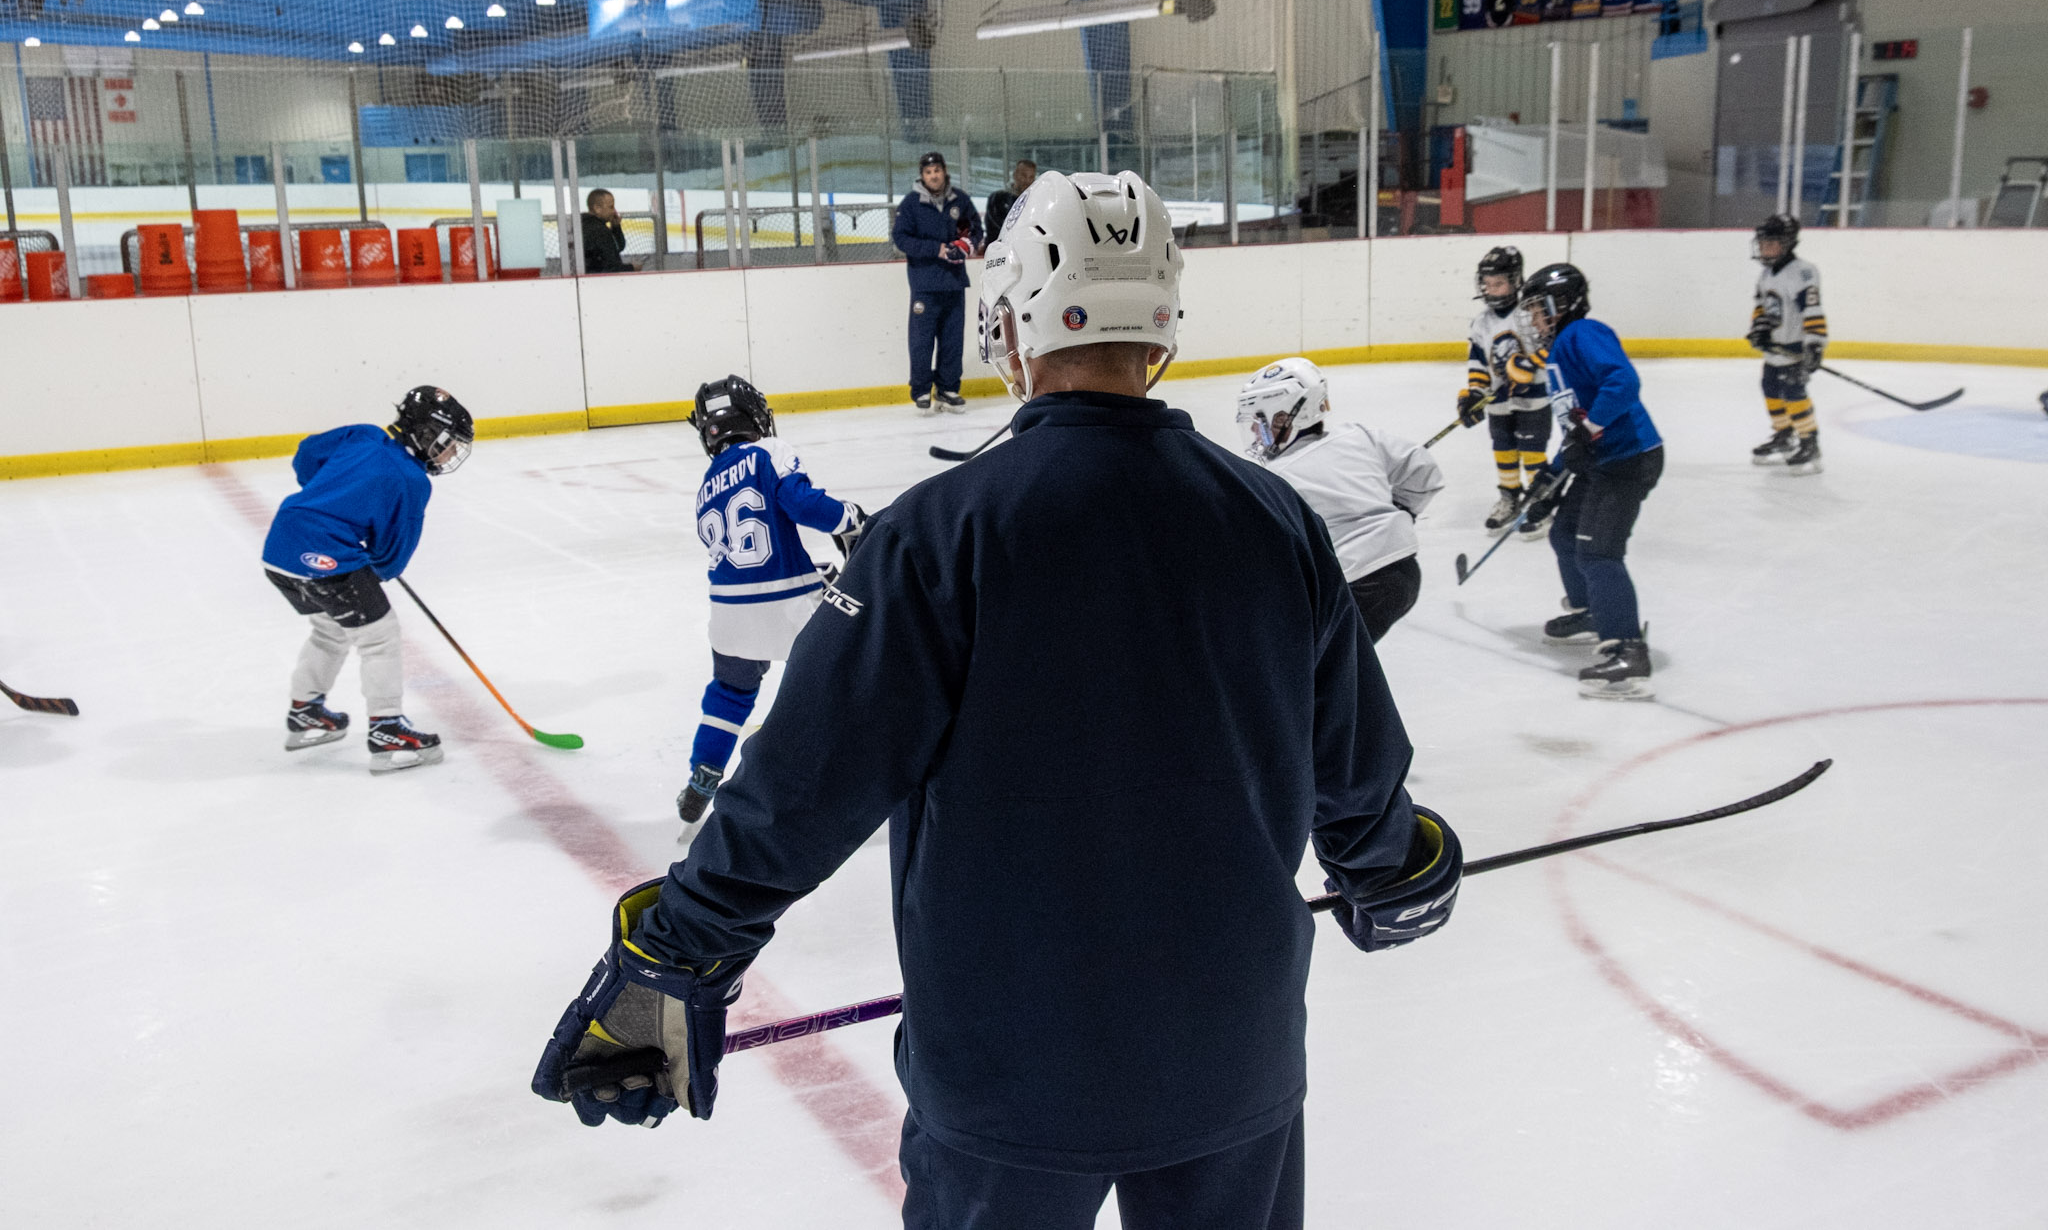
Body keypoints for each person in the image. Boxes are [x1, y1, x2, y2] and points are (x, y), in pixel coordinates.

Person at [533, 171, 1461, 1230]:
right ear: (1161, 313)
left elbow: (804, 782)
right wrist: (1393, 869)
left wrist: (677, 952)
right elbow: (1354, 767)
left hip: (1008, 1069)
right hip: (1231, 1057)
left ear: (1010, 313)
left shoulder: (937, 534)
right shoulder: (1273, 520)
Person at [676, 374, 866, 823]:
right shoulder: (768, 453)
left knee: (729, 692)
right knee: (852, 663)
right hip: (789, 610)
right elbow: (801, 504)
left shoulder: (705, 485)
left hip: (728, 617)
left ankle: (704, 773)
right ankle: (851, 766)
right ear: (753, 416)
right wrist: (849, 519)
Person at [260, 386, 472, 771]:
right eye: (449, 442)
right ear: (427, 433)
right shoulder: (412, 478)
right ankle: (387, 728)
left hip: (279, 548)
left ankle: (306, 711)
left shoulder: (363, 434)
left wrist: (331, 497)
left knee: (331, 630)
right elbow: (390, 560)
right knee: (380, 636)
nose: (452, 452)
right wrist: (358, 549)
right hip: (323, 556)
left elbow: (307, 455)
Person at [1513, 264, 1663, 700]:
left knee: (1598, 551)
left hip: (1630, 459)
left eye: (1540, 309)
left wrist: (1589, 430)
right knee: (1563, 534)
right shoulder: (1559, 350)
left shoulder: (1583, 333)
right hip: (1604, 459)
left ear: (1564, 304)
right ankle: (1593, 612)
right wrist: (1549, 479)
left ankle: (1628, 651)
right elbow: (1578, 433)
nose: (1535, 319)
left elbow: (1623, 381)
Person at [1238, 357, 1444, 642]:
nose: (1253, 430)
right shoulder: (1358, 435)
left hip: (1356, 584)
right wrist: (1403, 511)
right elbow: (1423, 470)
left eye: (1260, 420)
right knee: (1341, 665)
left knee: (1316, 671)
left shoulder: (1276, 477)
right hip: (1405, 571)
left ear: (1287, 417)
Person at [1457, 246, 1554, 533]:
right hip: (1498, 401)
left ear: (1515, 281)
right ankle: (1509, 497)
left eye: (1498, 283)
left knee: (1532, 450)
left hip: (1533, 398)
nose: (1490, 290)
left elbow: (1550, 344)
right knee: (1503, 447)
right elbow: (1477, 360)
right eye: (1486, 284)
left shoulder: (1530, 313)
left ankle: (1540, 500)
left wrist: (1529, 365)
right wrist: (1475, 391)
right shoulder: (1482, 323)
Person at [892, 151, 983, 415]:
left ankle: (948, 389)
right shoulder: (911, 204)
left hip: (954, 283)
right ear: (922, 176)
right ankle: (921, 390)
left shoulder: (960, 200)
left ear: (944, 171)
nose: (933, 176)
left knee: (952, 339)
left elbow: (974, 229)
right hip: (925, 284)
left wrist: (966, 245)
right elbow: (901, 238)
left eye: (937, 171)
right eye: (928, 172)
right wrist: (937, 249)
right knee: (921, 340)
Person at [1747, 214, 1825, 473]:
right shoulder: (1766, 274)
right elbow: (1761, 306)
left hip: (1794, 349)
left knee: (1794, 394)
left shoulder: (1802, 273)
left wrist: (1814, 345)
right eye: (1763, 243)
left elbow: (1812, 311)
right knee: (1769, 388)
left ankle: (1809, 441)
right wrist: (1759, 328)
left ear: (1788, 243)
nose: (1765, 249)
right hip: (1774, 351)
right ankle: (1784, 435)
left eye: (1772, 243)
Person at [581, 189, 636, 274]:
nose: (614, 211)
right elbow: (611, 267)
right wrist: (632, 268)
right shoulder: (599, 231)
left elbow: (616, 248)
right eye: (611, 207)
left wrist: (616, 227)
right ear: (597, 208)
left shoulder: (583, 224)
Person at [981, 158, 1037, 241]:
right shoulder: (998, 198)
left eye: (1031, 177)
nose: (1027, 180)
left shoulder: (1036, 201)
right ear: (1015, 175)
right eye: (1024, 175)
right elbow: (999, 228)